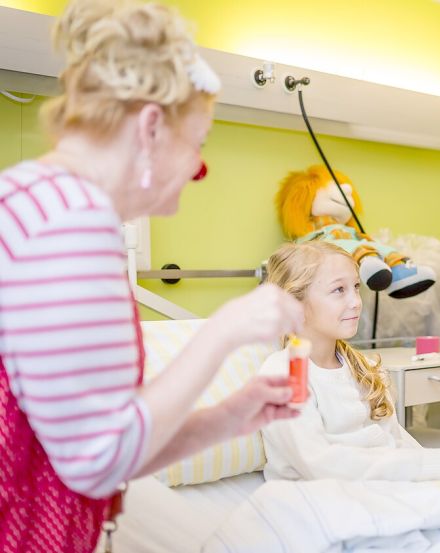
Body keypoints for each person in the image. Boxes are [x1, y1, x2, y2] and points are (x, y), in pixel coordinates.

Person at [0, 1, 305, 551]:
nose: (197, 169)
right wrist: (225, 329)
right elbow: (95, 461)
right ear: (150, 127)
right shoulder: (72, 223)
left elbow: (111, 441)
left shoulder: (30, 196)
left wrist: (229, 416)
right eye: (199, 144)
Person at [259, 241, 440, 482]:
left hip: (375, 487)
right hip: (319, 498)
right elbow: (318, 463)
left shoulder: (361, 367)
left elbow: (395, 439)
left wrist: (435, 467)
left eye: (356, 287)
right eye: (339, 290)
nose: (356, 302)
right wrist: (422, 467)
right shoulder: (285, 374)